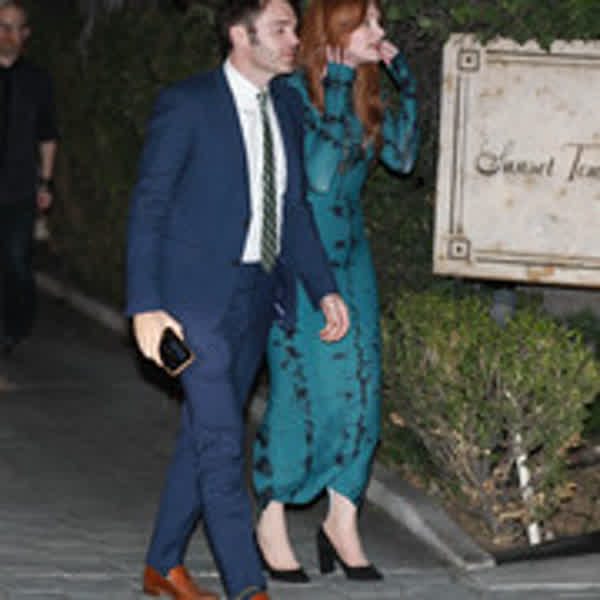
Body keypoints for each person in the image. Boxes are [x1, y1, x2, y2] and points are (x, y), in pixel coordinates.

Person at [126, 0, 350, 598]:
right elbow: (149, 206)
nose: (294, 38)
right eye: (281, 28)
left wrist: (324, 287)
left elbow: (294, 209)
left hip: (257, 297)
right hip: (191, 303)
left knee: (204, 434)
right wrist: (145, 304)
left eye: (294, 27)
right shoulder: (188, 104)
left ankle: (162, 565)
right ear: (239, 35)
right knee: (224, 446)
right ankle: (248, 587)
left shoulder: (287, 106)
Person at [253, 0, 418, 582]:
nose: (380, 31)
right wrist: (340, 81)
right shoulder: (289, 95)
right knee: (302, 393)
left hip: (354, 265)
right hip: (300, 265)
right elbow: (318, 179)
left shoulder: (363, 94)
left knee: (364, 390)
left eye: (379, 21)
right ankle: (271, 514)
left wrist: (405, 87)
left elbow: (402, 158)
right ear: (335, 32)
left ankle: (341, 521)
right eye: (366, 22)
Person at [0, 0, 58, 356]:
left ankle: (15, 327)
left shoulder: (37, 80)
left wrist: (46, 183)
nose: (8, 35)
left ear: (26, 34)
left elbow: (48, 135)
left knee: (16, 262)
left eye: (15, 28)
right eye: (3, 26)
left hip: (19, 189)